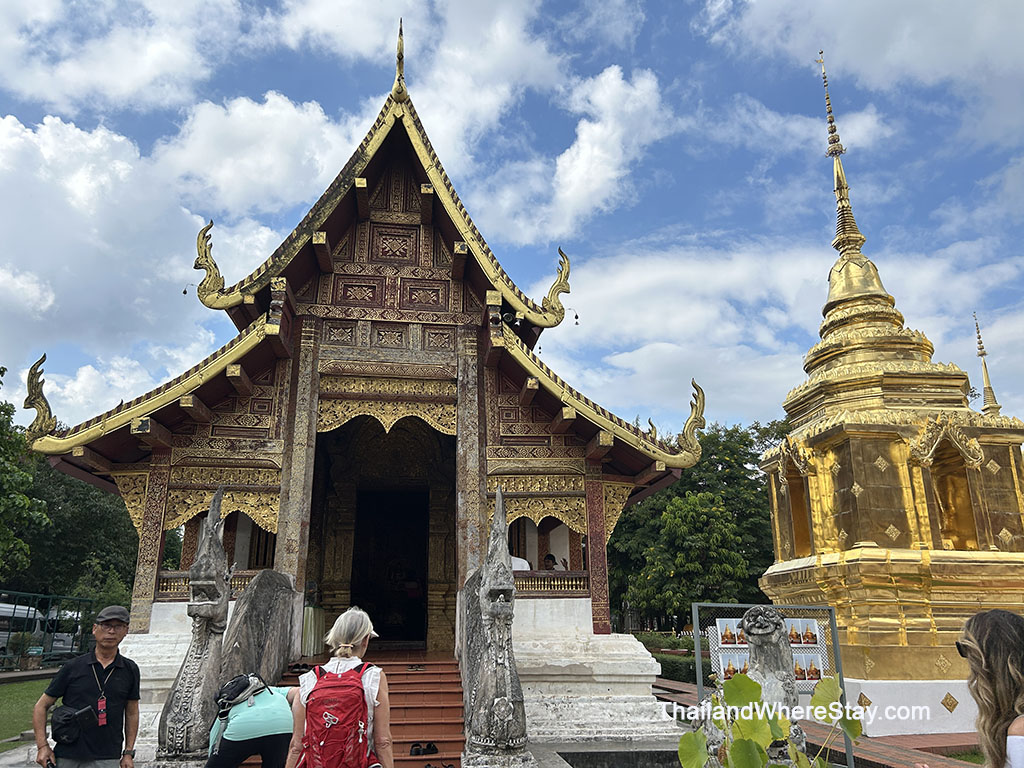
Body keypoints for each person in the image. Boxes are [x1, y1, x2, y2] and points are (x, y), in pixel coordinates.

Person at [285, 607, 393, 768]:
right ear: (365, 640)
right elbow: (383, 741)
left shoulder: (311, 678)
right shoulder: (372, 676)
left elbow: (296, 745)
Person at [33, 605, 140, 768]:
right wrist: (42, 746)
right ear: (94, 629)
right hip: (69, 751)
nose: (111, 631)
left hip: (108, 754)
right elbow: (41, 706)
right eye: (106, 625)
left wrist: (128, 752)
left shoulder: (130, 669)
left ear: (126, 631)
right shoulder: (73, 667)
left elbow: (132, 712)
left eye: (118, 626)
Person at [207, 681, 298, 768]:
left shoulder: (228, 701)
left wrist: (213, 758)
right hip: (282, 724)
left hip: (243, 726)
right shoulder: (272, 691)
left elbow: (215, 734)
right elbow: (299, 692)